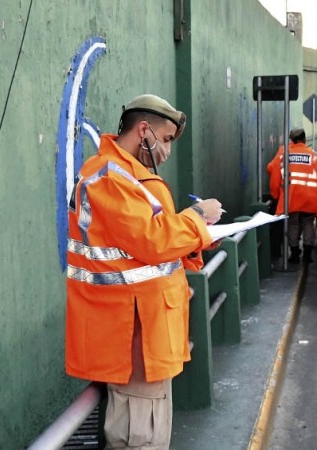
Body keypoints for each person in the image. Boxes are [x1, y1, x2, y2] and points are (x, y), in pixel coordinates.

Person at [65, 94, 223, 449]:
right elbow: (153, 240)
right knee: (140, 438)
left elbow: (150, 243)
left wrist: (197, 234)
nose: (167, 151)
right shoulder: (109, 177)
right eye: (165, 140)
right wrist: (197, 218)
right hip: (132, 337)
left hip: (142, 333)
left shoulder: (126, 178)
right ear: (144, 130)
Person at [268, 128, 317, 264]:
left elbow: (272, 169)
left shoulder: (283, 153)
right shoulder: (313, 156)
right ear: (304, 140)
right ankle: (307, 255)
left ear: (291, 140)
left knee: (293, 225)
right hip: (310, 199)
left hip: (291, 199)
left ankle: (294, 254)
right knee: (308, 224)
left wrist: (275, 194)